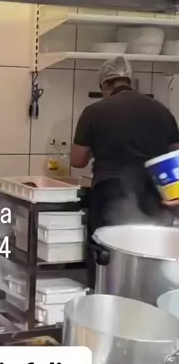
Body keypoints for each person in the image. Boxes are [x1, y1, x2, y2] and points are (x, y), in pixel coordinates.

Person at [70, 55, 179, 234]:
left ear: (104, 84)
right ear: (129, 81)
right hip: (154, 194)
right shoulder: (162, 110)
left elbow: (77, 160)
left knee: (109, 244)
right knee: (149, 243)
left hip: (110, 192)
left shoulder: (93, 111)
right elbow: (175, 156)